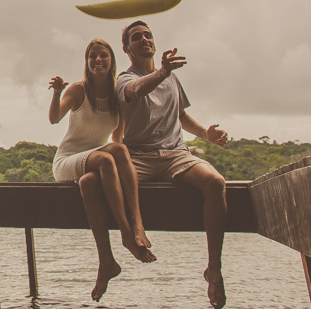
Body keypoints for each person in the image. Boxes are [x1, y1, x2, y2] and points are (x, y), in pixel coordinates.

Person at [115, 20, 229, 309]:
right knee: (104, 183)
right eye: (136, 37)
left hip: (175, 155)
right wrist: (163, 71)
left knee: (215, 182)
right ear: (126, 48)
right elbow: (137, 90)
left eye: (148, 35)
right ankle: (127, 242)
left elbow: (180, 115)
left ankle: (214, 269)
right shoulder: (124, 78)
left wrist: (207, 134)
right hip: (137, 158)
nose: (144, 40)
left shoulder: (172, 79)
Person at [48, 38, 156, 302]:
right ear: (87, 62)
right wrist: (56, 93)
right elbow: (53, 118)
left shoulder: (118, 96)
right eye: (92, 56)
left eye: (103, 56)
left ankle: (108, 260)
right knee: (109, 158)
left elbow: (117, 141)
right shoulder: (78, 90)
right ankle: (127, 233)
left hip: (94, 161)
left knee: (110, 160)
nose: (98, 60)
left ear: (111, 61)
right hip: (68, 160)